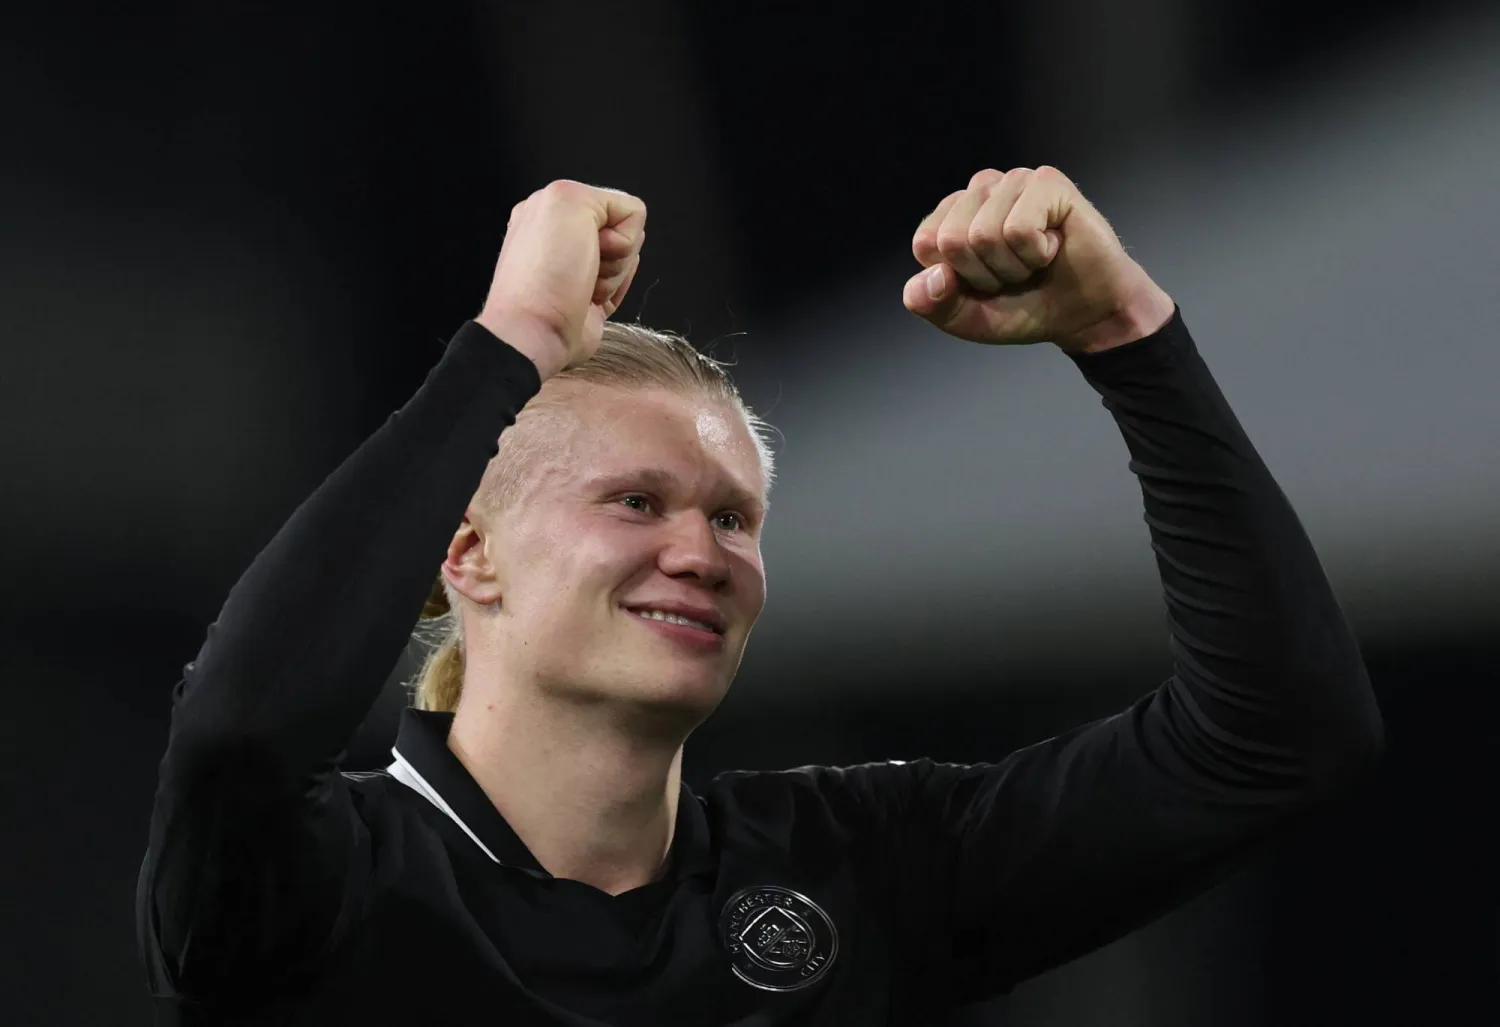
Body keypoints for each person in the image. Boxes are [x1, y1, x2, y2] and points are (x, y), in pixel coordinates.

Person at [136, 169, 1384, 1025]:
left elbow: (1277, 738)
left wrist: (1124, 330)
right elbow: (242, 727)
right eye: (636, 501)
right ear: (467, 556)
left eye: (733, 516)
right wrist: (512, 335)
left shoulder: (853, 867)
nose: (702, 551)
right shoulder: (319, 874)